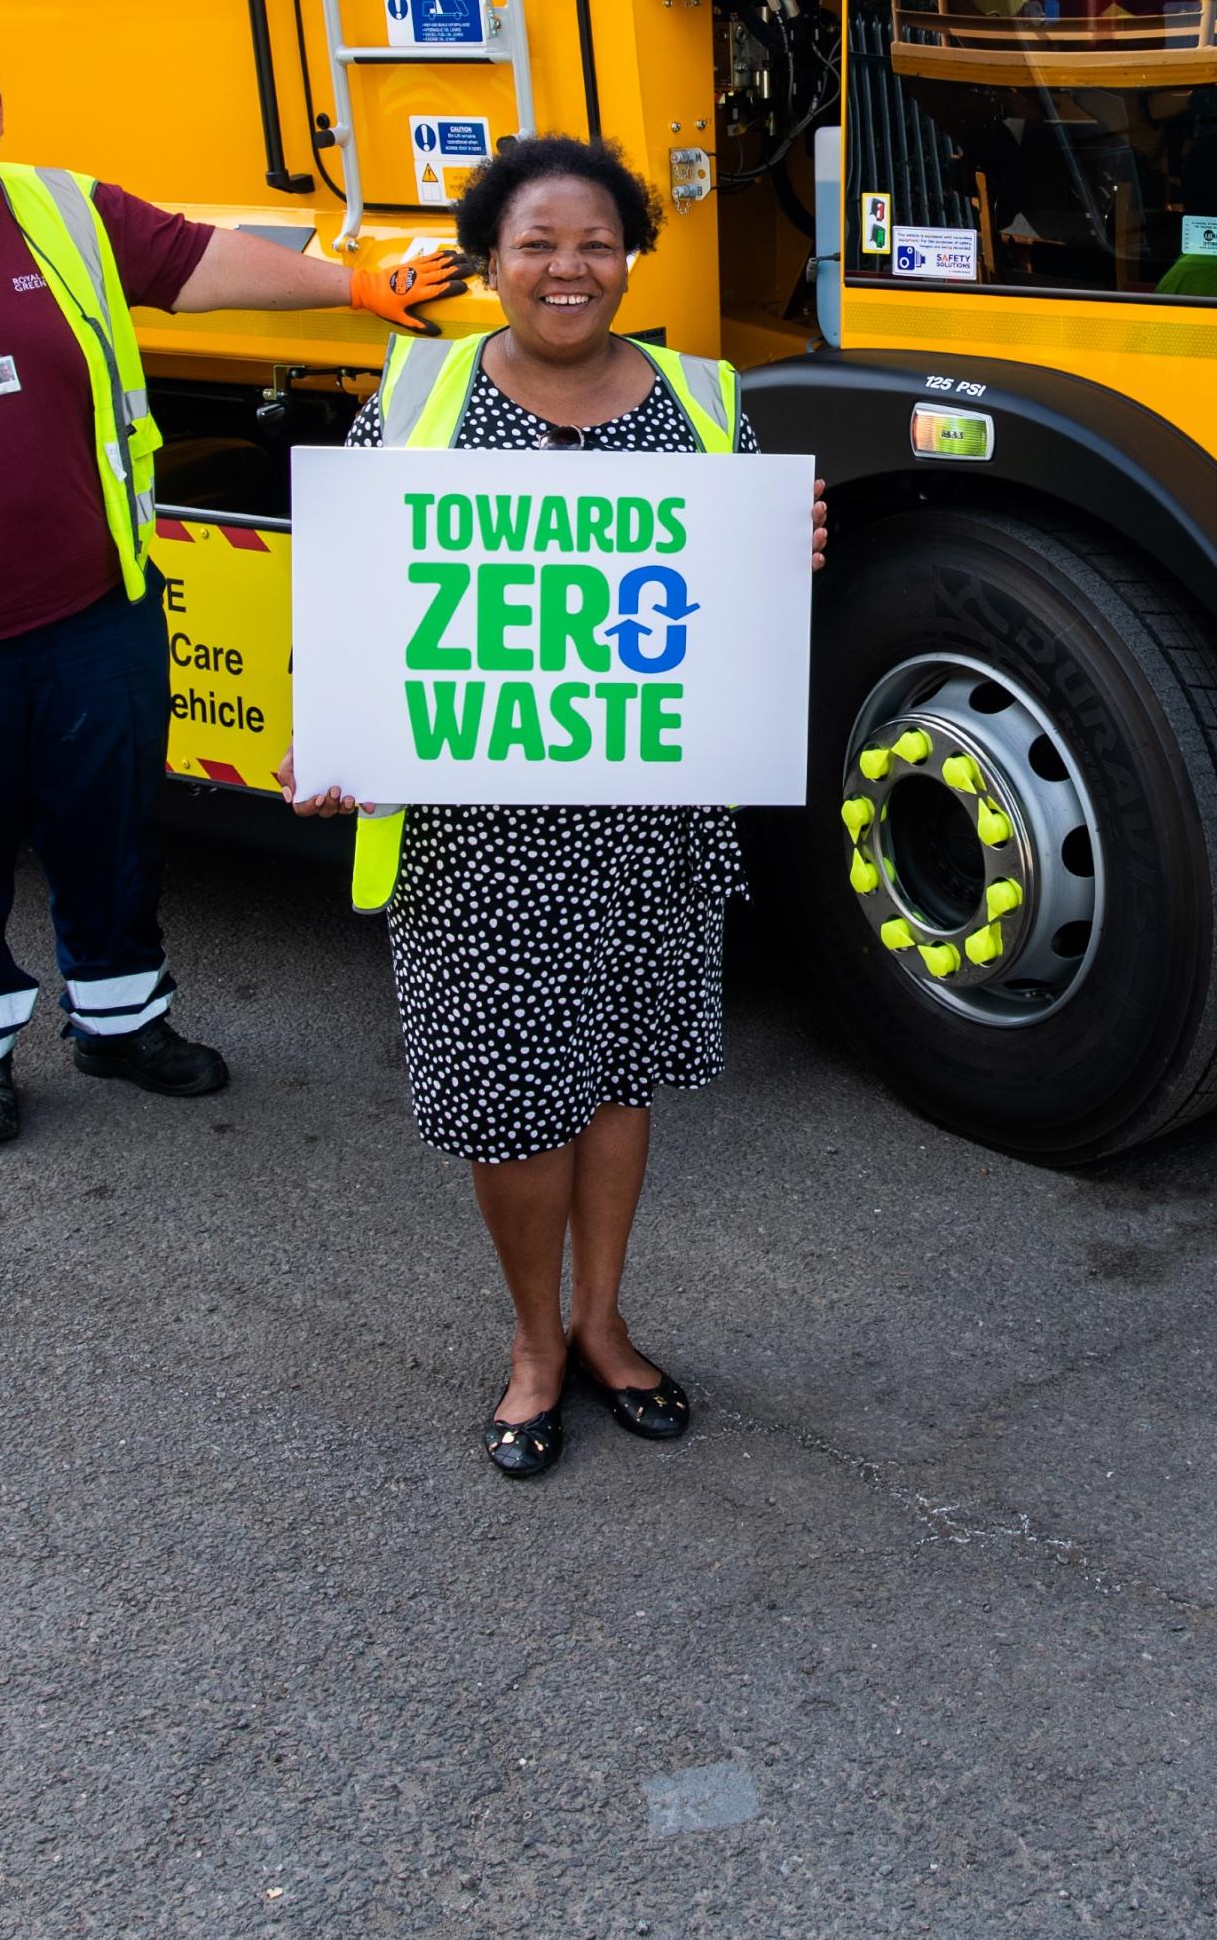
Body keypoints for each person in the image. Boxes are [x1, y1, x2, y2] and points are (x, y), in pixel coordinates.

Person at [0, 19, 462, 1147]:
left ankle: (122, 1025)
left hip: (89, 613)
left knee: (110, 830)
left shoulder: (63, 211)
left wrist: (355, 283)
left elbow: (199, 262)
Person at [282, 133, 823, 1481]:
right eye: (536, 243)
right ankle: (534, 1342)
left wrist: (786, 547)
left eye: (593, 242)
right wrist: (325, 724)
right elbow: (353, 587)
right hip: (477, 830)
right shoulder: (416, 394)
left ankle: (602, 1320)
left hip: (649, 818)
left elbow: (731, 611)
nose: (566, 268)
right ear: (487, 259)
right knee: (515, 1100)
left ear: (630, 257)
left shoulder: (701, 401)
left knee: (622, 1074)